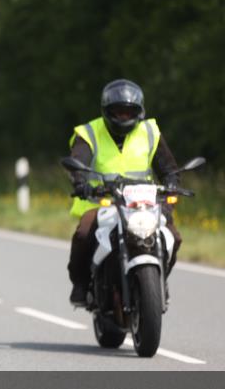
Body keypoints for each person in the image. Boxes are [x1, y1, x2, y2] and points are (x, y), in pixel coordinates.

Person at [66, 79, 182, 306]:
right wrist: (81, 183)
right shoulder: (89, 133)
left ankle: (159, 281)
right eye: (117, 112)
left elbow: (170, 170)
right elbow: (76, 162)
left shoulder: (150, 132)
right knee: (83, 233)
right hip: (101, 203)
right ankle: (80, 284)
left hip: (143, 204)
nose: (123, 117)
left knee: (174, 237)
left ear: (138, 112)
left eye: (128, 112)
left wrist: (172, 187)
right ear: (106, 112)